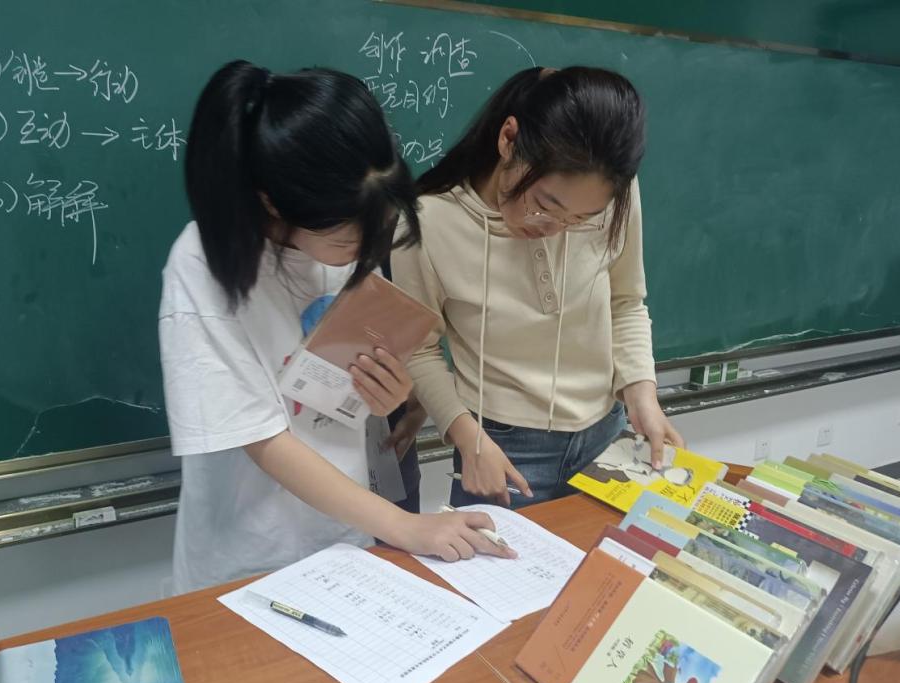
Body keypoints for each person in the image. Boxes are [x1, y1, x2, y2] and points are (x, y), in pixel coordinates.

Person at [159, 61, 511, 592]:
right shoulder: (201, 266)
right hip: (249, 558)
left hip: (345, 537)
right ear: (272, 201)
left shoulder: (345, 231)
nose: (362, 252)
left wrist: (386, 396)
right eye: (347, 241)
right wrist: (404, 526)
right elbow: (263, 440)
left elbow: (336, 395)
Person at [392, 66, 684, 510]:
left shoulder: (614, 194)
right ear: (508, 139)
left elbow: (625, 301)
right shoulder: (428, 221)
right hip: (503, 448)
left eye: (581, 219)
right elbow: (419, 349)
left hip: (608, 436)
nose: (554, 228)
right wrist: (467, 437)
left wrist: (642, 392)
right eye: (546, 203)